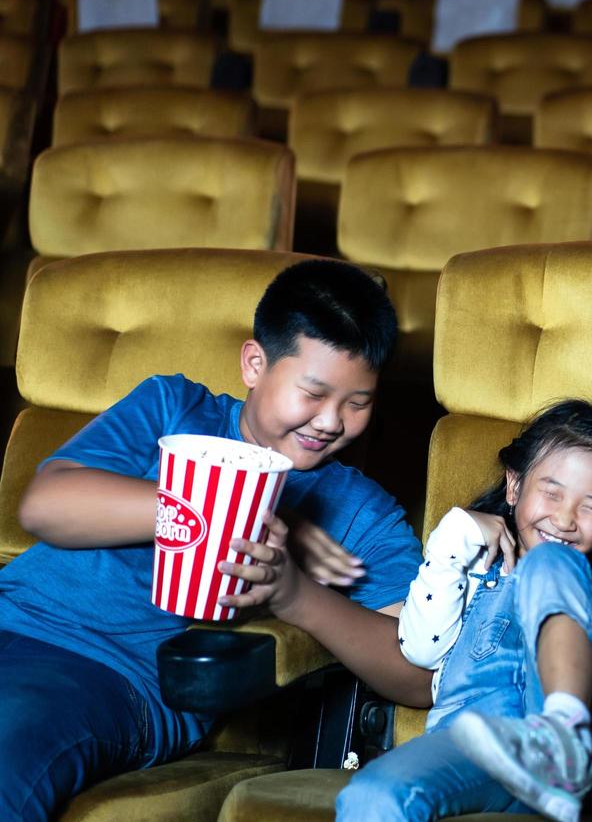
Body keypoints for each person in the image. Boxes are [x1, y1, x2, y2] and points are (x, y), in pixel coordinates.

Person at [0, 259, 426, 819]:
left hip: (110, 674)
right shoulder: (173, 407)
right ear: (255, 364)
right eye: (313, 393)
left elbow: (419, 675)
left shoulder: (360, 513)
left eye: (358, 402)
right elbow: (45, 504)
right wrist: (237, 508)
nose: (330, 421)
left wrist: (295, 593)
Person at [337, 400, 592, 822]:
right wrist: (452, 539)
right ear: (514, 486)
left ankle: (559, 740)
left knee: (551, 563)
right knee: (371, 795)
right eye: (552, 492)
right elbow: (421, 652)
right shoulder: (468, 565)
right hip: (478, 745)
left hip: (589, 755)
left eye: (591, 507)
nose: (565, 519)